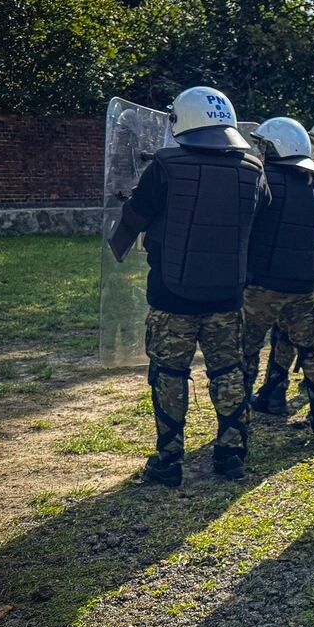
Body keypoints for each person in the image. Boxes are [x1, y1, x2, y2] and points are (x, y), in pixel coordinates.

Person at [107, 86, 267, 485]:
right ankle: (231, 454)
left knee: (169, 374)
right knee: (229, 371)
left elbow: (136, 214)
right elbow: (259, 216)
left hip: (171, 296)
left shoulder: (164, 166)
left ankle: (168, 460)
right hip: (228, 296)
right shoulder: (253, 169)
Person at [240, 117, 314, 448]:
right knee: (312, 353)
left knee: (245, 353)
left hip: (262, 286)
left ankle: (236, 426)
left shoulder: (260, 183)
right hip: (304, 288)